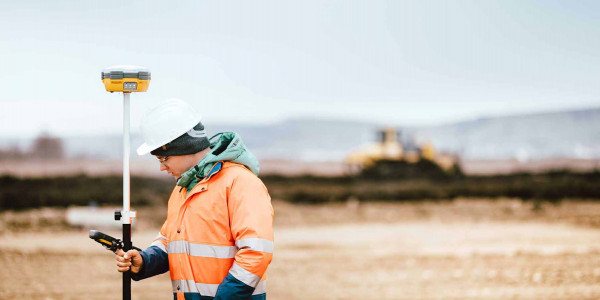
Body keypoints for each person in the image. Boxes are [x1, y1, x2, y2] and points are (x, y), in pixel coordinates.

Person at [114, 98, 274, 300]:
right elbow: (170, 240)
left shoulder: (241, 183)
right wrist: (144, 261)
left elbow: (255, 252)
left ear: (184, 147)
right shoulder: (183, 189)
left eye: (164, 159)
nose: (162, 168)